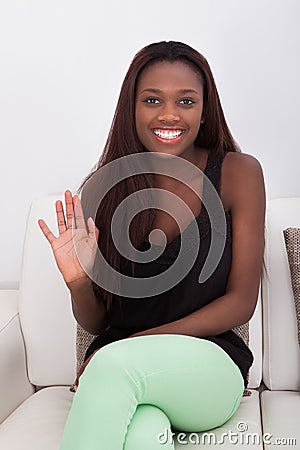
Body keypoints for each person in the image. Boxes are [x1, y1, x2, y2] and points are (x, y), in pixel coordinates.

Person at [38, 40, 265, 450]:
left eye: (186, 101)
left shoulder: (238, 173)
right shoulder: (105, 189)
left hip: (208, 363)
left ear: (204, 110)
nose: (169, 114)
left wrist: (133, 346)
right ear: (133, 108)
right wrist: (78, 281)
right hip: (121, 367)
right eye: (152, 100)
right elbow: (98, 323)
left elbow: (241, 301)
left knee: (111, 367)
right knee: (143, 434)